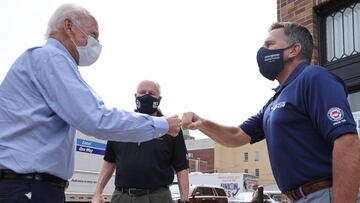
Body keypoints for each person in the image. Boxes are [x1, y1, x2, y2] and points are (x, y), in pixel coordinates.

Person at [0, 4, 181, 203]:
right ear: (68, 26)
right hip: (27, 187)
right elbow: (96, 119)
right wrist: (163, 124)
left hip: (31, 186)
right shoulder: (51, 59)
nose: (97, 44)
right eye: (93, 35)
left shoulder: (44, 62)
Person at [182, 22, 360, 203]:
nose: (263, 51)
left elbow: (347, 141)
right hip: (296, 197)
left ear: (294, 50)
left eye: (269, 45)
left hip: (323, 194)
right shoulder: (275, 101)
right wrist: (202, 123)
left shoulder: (314, 78)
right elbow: (236, 135)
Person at [92, 80, 189, 203]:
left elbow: (182, 168)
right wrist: (98, 192)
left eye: (151, 93)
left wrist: (184, 199)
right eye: (142, 92)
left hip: (157, 197)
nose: (146, 96)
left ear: (159, 99)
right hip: (122, 196)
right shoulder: (122, 125)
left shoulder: (172, 128)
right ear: (135, 96)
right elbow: (109, 161)